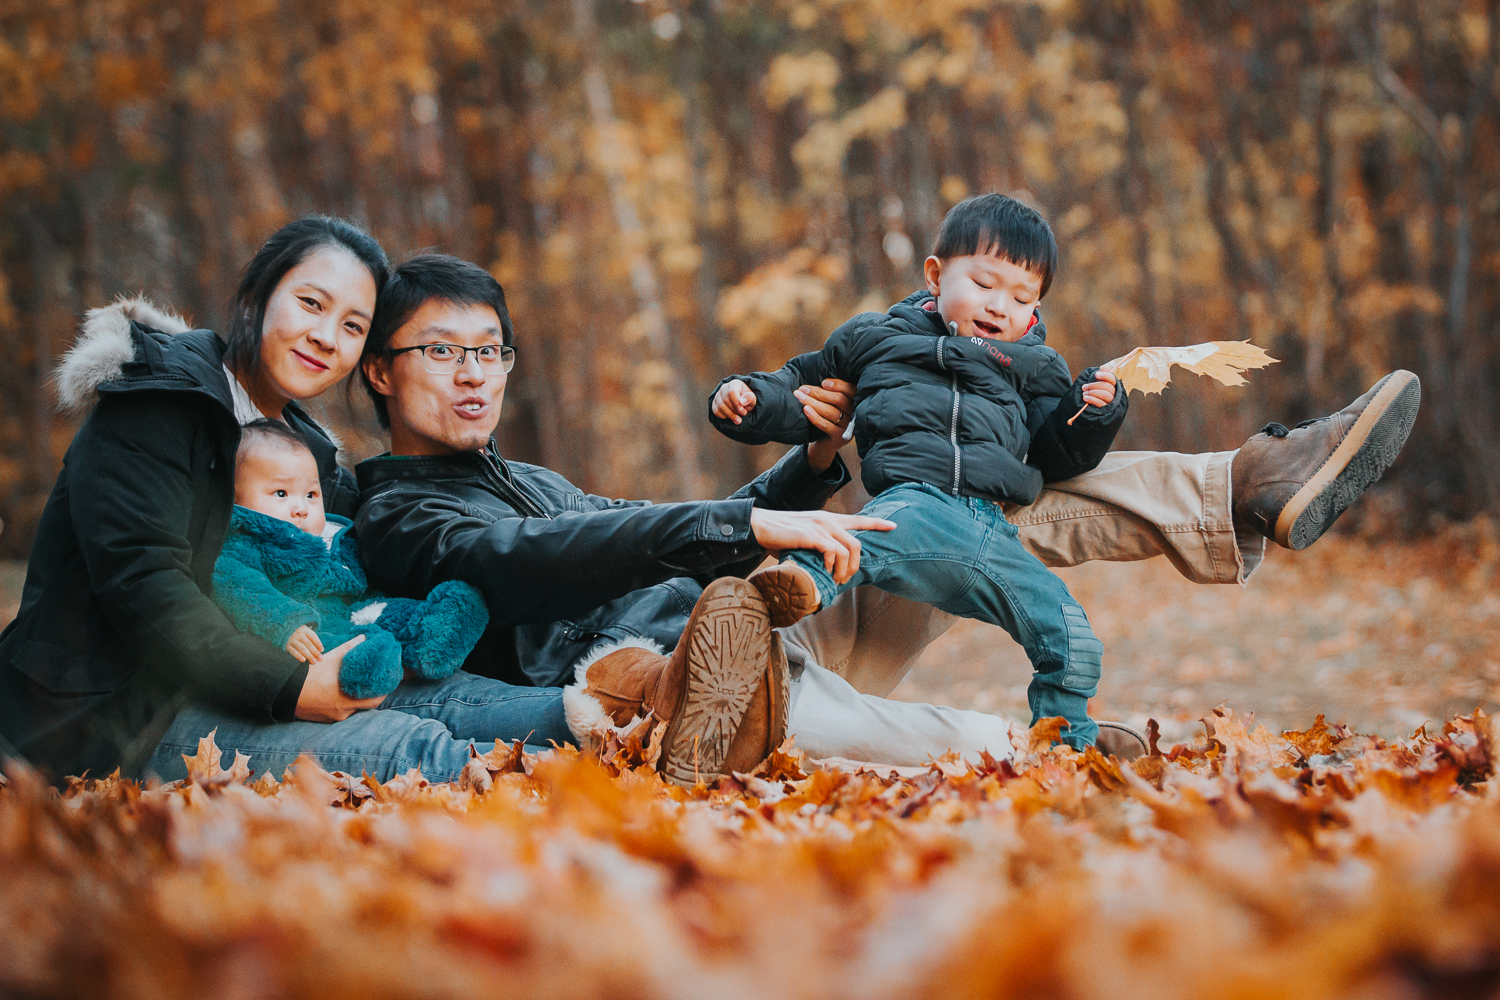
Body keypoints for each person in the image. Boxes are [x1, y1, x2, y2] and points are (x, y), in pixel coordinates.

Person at [0, 217, 579, 784]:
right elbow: (144, 584)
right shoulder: (157, 403)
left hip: (271, 667)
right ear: (256, 297)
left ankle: (617, 716)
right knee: (401, 745)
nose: (327, 337)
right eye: (311, 304)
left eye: (353, 327)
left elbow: (346, 579)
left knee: (462, 702)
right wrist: (290, 686)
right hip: (124, 713)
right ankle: (575, 780)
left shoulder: (310, 455)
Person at [353, 254, 897, 785]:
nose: (473, 374)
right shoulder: (396, 517)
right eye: (442, 350)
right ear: (379, 370)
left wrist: (812, 461)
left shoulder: (529, 480)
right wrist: (740, 523)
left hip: (741, 633)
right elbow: (533, 552)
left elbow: (666, 538)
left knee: (899, 547)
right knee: (963, 739)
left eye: (490, 351)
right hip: (684, 689)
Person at [710, 194, 1127, 748]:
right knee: (863, 539)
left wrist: (1094, 414)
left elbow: (1056, 456)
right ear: (936, 274)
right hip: (913, 504)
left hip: (993, 531)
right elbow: (802, 387)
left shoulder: (1037, 367)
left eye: (1023, 297)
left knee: (1071, 635)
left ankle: (1067, 748)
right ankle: (783, 589)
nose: (1001, 306)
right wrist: (747, 401)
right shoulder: (876, 339)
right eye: (983, 284)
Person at [212, 418, 491, 700]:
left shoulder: (336, 535)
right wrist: (285, 622)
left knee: (391, 611)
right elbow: (240, 586)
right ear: (235, 499)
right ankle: (373, 666)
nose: (301, 508)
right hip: (309, 630)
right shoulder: (243, 542)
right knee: (351, 645)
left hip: (350, 611)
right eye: (281, 493)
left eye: (311, 494)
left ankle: (435, 635)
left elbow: (360, 585)